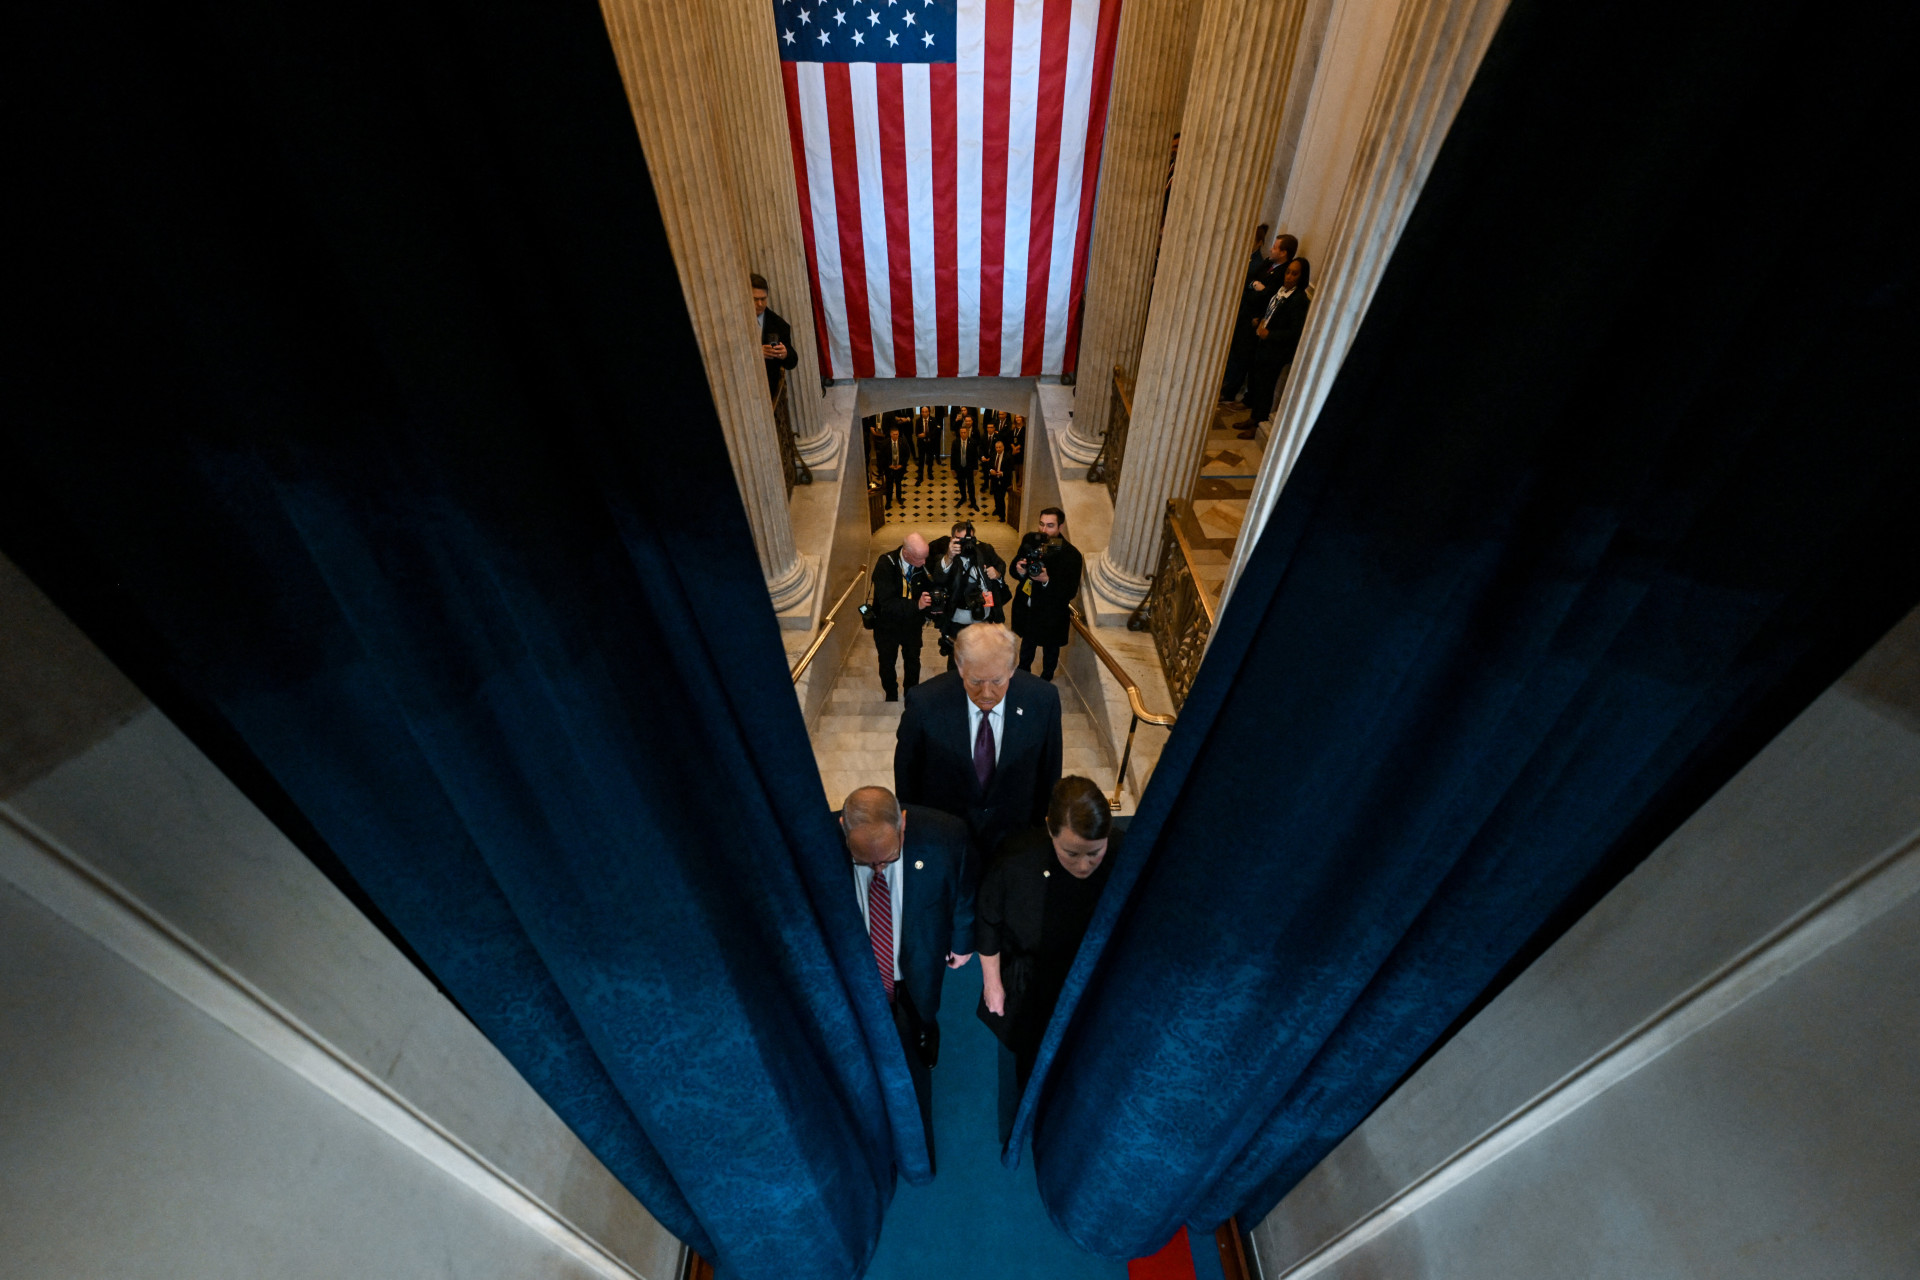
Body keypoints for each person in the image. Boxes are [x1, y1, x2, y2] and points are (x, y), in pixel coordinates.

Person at [975, 776, 1122, 1139]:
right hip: (1033, 976)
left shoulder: (1123, 851)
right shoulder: (1015, 859)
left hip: (1092, 970)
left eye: (1095, 853)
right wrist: (992, 983)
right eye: (1072, 853)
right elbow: (988, 922)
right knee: (1033, 1053)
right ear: (1049, 830)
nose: (1085, 865)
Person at [838, 785, 976, 1153]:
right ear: (842, 828)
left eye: (887, 857)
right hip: (862, 967)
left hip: (920, 953)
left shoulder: (947, 835)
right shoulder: (820, 845)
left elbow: (962, 893)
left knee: (922, 1008)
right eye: (866, 862)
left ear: (903, 824)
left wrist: (962, 942)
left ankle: (925, 1033)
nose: (878, 867)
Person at [895, 622, 1062, 862]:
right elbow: (907, 775)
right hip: (946, 841)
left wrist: (1040, 837)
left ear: (1013, 668)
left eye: (996, 681)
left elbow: (1049, 773)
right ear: (960, 666)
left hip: (1015, 840)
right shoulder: (924, 703)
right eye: (975, 681)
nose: (986, 693)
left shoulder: (1043, 701)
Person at [1220, 234, 1297, 405]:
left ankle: (1230, 391)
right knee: (1233, 351)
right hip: (1245, 313)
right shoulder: (1268, 263)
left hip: (1256, 320)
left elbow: (1265, 297)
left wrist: (1255, 291)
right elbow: (1247, 280)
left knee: (1242, 356)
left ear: (1284, 252)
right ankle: (1224, 384)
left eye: (1276, 247)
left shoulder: (1282, 273)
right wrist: (1255, 285)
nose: (1271, 249)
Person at [1008, 507, 1083, 682]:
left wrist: (1046, 580)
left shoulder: (1071, 555)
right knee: (1026, 648)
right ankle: (1023, 678)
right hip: (1028, 610)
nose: (1043, 530)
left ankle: (1045, 681)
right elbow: (1014, 569)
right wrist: (1019, 569)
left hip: (1052, 615)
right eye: (1041, 524)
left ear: (1060, 527)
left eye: (1050, 525)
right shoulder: (1030, 540)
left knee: (1050, 653)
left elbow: (1069, 591)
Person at [1243, 256, 1313, 439]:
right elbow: (1271, 312)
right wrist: (1260, 320)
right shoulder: (1281, 292)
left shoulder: (1299, 300)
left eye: (1294, 274)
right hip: (1263, 345)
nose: (1289, 276)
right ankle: (1253, 418)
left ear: (1301, 276)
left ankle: (1258, 423)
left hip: (1276, 351)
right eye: (1288, 272)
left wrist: (1270, 335)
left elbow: (1294, 332)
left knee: (1266, 388)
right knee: (1257, 384)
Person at [932, 521, 1007, 669]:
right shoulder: (946, 553)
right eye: (960, 540)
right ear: (952, 539)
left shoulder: (985, 550)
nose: (967, 544)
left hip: (983, 617)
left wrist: (997, 574)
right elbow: (939, 577)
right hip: (958, 620)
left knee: (981, 658)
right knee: (957, 660)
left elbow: (1001, 566)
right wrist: (949, 556)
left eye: (970, 539)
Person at [870, 533, 934, 701]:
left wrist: (931, 606)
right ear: (906, 553)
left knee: (913, 661)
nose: (924, 563)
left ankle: (910, 694)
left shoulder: (922, 565)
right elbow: (887, 603)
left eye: (925, 557)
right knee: (887, 663)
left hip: (912, 625)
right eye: (920, 558)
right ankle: (891, 693)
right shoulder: (885, 565)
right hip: (886, 627)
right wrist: (917, 605)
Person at [751, 273, 799, 401]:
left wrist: (785, 354)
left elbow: (792, 361)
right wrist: (756, 352)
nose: (760, 304)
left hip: (766, 389)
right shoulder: (734, 322)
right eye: (755, 299)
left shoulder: (779, 325)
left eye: (763, 299)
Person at [950, 422, 982, 512]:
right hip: (959, 467)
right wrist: (952, 469)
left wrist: (976, 468)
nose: (963, 434)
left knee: (971, 485)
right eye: (961, 432)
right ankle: (963, 498)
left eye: (965, 432)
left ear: (967, 433)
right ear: (959, 433)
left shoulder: (972, 442)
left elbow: (975, 456)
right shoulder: (955, 442)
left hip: (969, 467)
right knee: (961, 484)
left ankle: (973, 501)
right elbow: (953, 456)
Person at [984, 436, 1014, 520]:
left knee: (1000, 498)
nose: (998, 449)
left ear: (1003, 447)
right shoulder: (993, 455)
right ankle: (997, 509)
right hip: (994, 479)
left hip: (1003, 480)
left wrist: (1003, 473)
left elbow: (1011, 470)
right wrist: (990, 470)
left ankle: (1002, 516)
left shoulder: (1008, 456)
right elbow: (989, 465)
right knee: (995, 496)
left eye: (999, 447)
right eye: (996, 447)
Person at [881, 426, 908, 509]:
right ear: (890, 434)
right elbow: (882, 456)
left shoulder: (903, 442)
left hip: (899, 468)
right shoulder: (885, 443)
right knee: (889, 485)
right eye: (894, 434)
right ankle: (888, 501)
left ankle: (899, 498)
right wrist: (889, 465)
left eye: (897, 434)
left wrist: (901, 465)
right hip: (889, 468)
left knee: (899, 483)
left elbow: (907, 454)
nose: (895, 436)